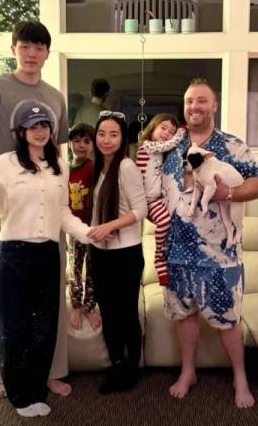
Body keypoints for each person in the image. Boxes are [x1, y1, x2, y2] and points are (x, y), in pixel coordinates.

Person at [0, 20, 72, 399]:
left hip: (46, 208)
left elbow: (58, 154)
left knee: (51, 292)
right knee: (4, 293)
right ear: (13, 49)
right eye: (25, 46)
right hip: (9, 207)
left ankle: (50, 370)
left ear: (47, 53)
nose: (32, 54)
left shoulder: (55, 97)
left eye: (39, 47)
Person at [0, 102, 98, 417]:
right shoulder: (5, 162)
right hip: (14, 254)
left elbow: (62, 212)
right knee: (13, 328)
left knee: (44, 326)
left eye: (45, 125)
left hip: (47, 254)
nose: (40, 131)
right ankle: (20, 397)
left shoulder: (59, 164)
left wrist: (89, 234)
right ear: (21, 131)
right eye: (33, 126)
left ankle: (36, 390)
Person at [156, 78, 258, 408]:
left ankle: (240, 378)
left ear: (214, 106)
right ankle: (188, 372)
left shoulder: (232, 146)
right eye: (189, 101)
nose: (195, 107)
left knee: (228, 320)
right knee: (184, 316)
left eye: (202, 100)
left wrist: (228, 193)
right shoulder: (171, 146)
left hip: (220, 254)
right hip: (176, 252)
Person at [87, 110, 147, 394]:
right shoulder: (97, 168)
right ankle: (117, 365)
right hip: (100, 253)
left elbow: (141, 210)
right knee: (109, 314)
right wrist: (95, 230)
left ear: (122, 139)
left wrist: (110, 225)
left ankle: (131, 368)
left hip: (125, 254)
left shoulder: (126, 166)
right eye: (102, 134)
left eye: (114, 134)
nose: (106, 140)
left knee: (126, 314)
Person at [135, 114, 183, 286]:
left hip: (156, 199)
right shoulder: (148, 146)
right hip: (144, 201)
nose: (167, 133)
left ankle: (168, 258)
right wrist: (180, 133)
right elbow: (169, 144)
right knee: (164, 222)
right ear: (152, 127)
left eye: (171, 132)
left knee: (175, 220)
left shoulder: (161, 153)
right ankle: (159, 259)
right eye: (163, 128)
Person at [66, 123, 101, 330]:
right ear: (70, 143)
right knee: (75, 269)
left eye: (86, 141)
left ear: (93, 145)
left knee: (94, 268)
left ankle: (89, 306)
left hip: (94, 228)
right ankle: (77, 306)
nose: (81, 145)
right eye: (77, 141)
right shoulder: (64, 170)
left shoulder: (93, 168)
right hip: (73, 229)